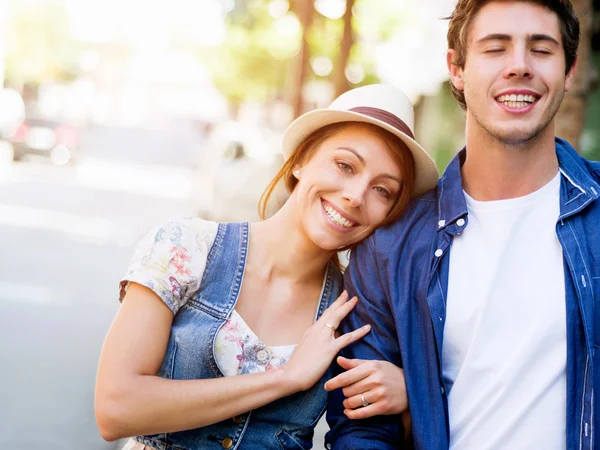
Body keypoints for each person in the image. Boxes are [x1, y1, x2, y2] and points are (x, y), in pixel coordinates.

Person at [94, 84, 440, 450]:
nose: (356, 195)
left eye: (382, 190)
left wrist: (411, 394)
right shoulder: (185, 247)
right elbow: (116, 408)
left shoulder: (355, 313)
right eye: (344, 165)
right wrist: (286, 378)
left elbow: (371, 431)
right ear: (302, 159)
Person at [326, 1, 600, 449]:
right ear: (456, 68)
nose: (519, 66)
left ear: (569, 71)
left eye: (542, 50)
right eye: (496, 48)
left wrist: (414, 394)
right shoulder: (391, 246)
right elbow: (362, 427)